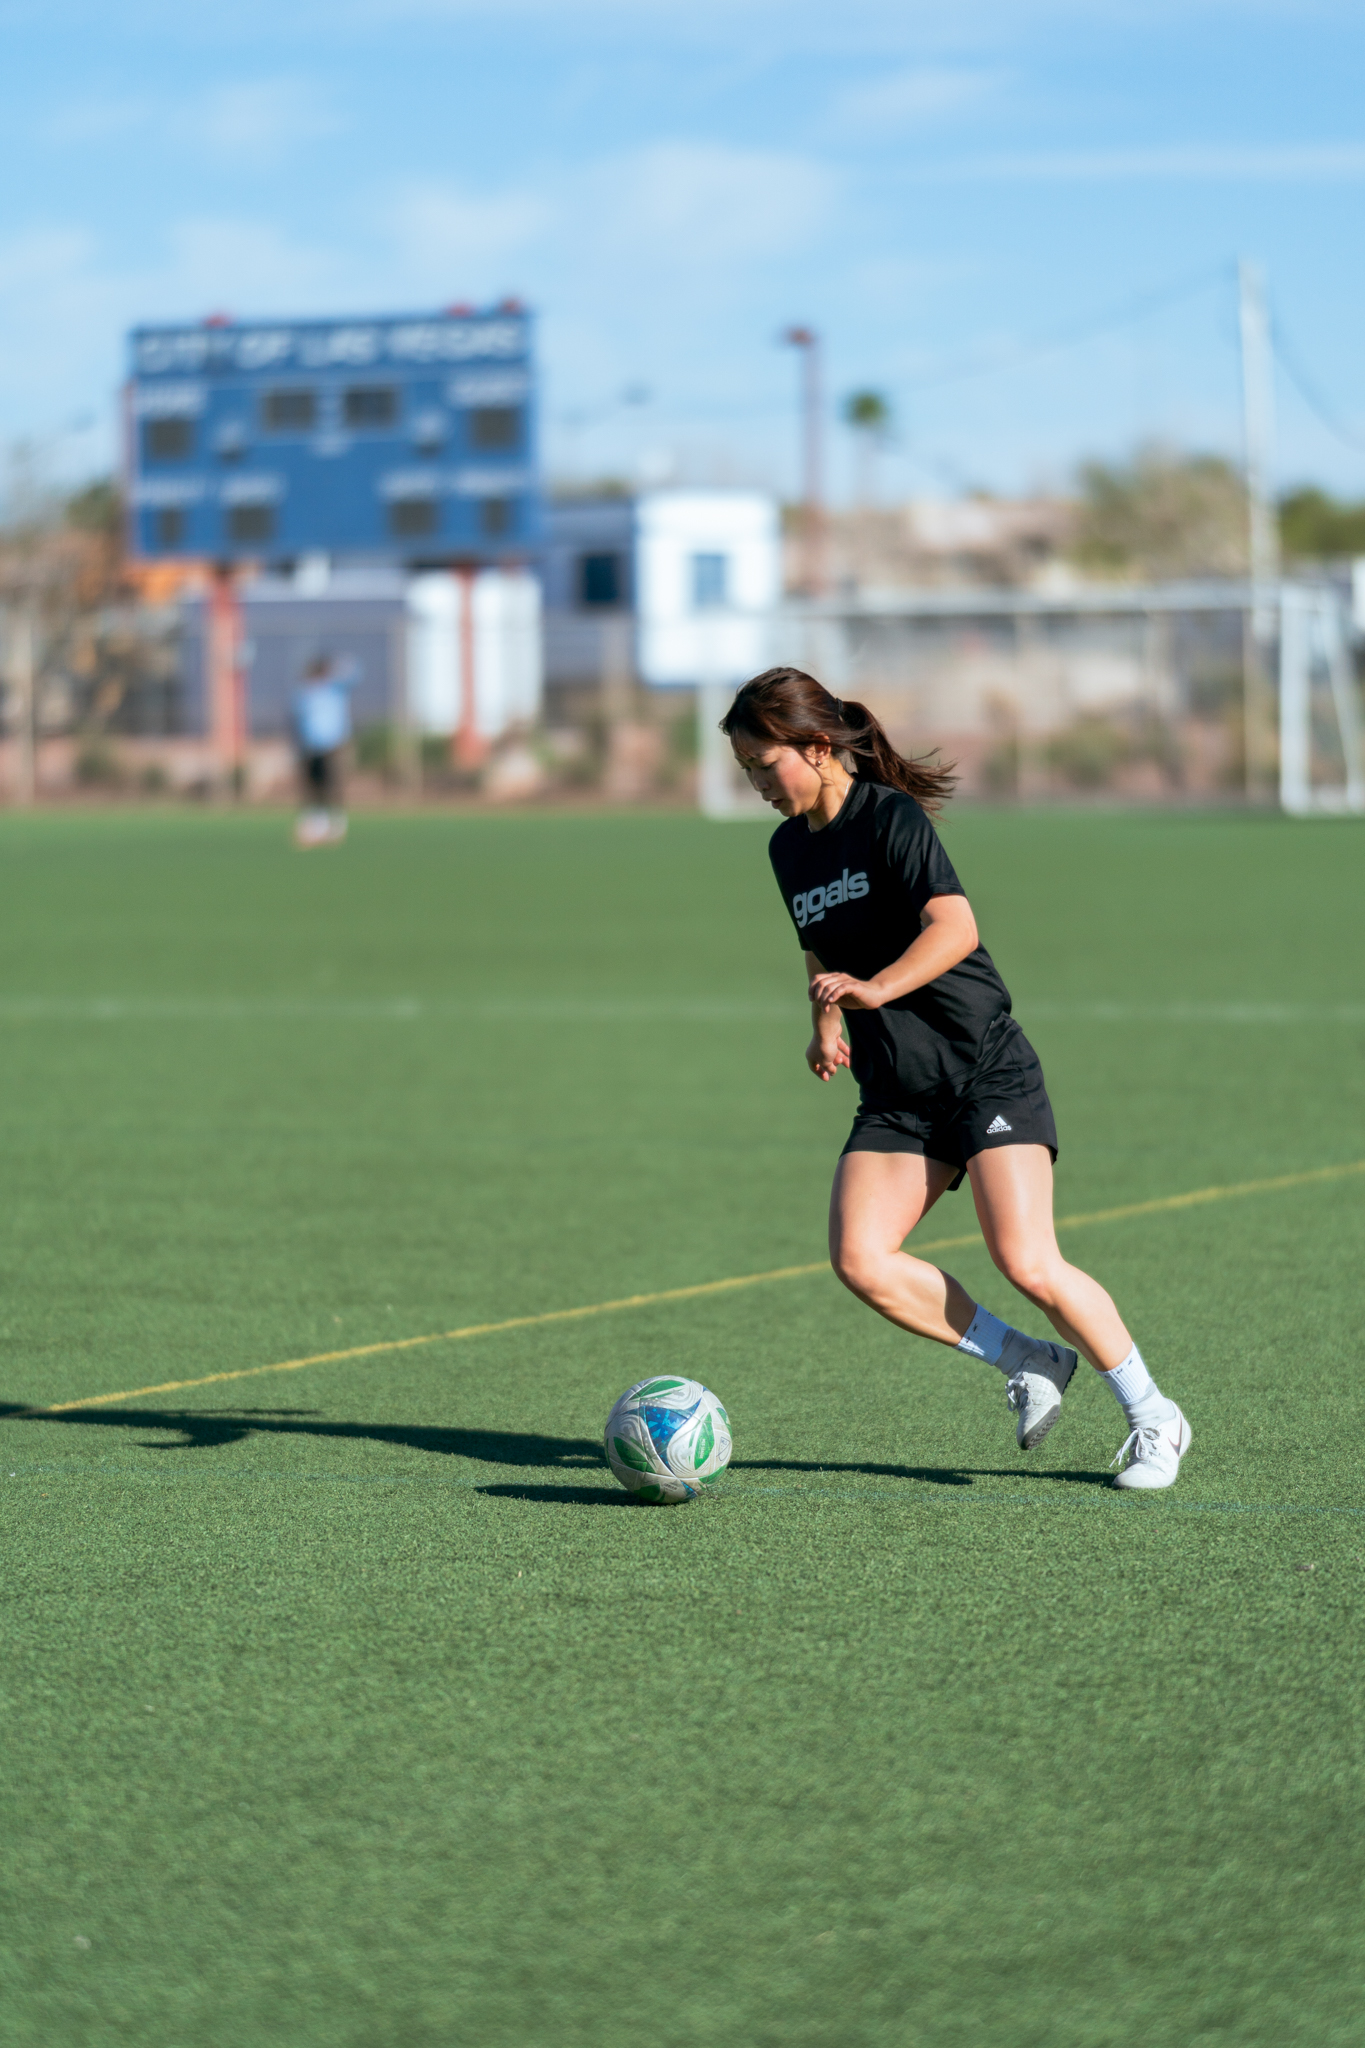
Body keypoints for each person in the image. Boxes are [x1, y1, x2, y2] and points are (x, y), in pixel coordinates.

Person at [722, 666, 1191, 1489]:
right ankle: (1028, 1359)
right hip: (897, 1088)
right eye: (747, 770)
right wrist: (826, 1018)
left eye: (765, 765)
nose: (757, 784)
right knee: (861, 1258)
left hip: (982, 1069)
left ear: (818, 746)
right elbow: (818, 944)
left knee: (1027, 1258)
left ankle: (1154, 1415)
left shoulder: (889, 818)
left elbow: (955, 927)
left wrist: (875, 989)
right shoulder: (786, 848)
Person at [291, 653, 358, 848]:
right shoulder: (305, 693)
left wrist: (336, 667)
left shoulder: (335, 689)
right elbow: (297, 718)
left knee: (333, 785)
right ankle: (317, 825)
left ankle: (337, 825)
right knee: (313, 787)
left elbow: (354, 673)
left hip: (333, 744)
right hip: (311, 746)